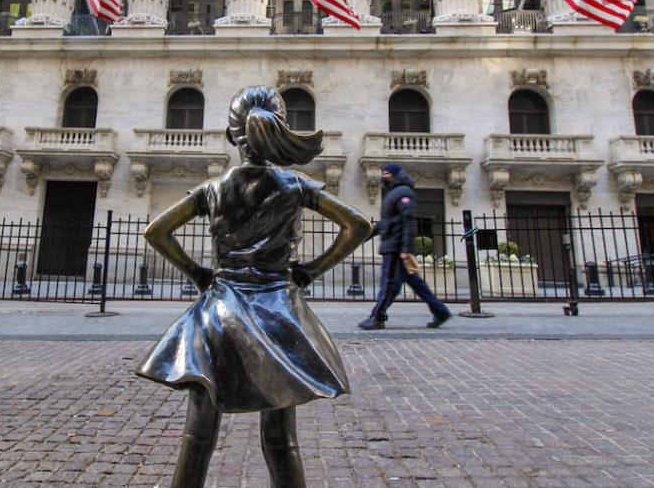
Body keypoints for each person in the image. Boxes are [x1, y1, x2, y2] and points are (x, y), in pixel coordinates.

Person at [138, 86, 372, 488]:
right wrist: (311, 270)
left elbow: (156, 231)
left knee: (198, 435)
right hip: (278, 314)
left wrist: (197, 273)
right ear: (280, 127)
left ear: (232, 137)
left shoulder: (214, 189)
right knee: (281, 440)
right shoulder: (294, 185)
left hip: (218, 314)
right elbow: (359, 226)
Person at [358, 162, 452, 330]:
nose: (383, 177)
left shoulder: (403, 193)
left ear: (394, 175)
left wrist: (406, 249)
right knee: (414, 283)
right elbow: (387, 222)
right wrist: (365, 235)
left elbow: (409, 222)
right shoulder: (394, 193)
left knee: (388, 283)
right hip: (393, 246)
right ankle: (440, 311)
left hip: (396, 248)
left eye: (386, 173)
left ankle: (377, 316)